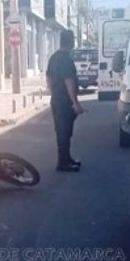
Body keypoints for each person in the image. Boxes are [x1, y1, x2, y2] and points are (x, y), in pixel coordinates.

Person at [46, 29, 86, 172]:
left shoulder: (54, 57)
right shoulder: (66, 59)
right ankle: (62, 163)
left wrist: (53, 94)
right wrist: (75, 103)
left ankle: (67, 158)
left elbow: (48, 78)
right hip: (64, 101)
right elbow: (68, 81)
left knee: (63, 131)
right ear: (71, 42)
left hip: (57, 99)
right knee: (64, 132)